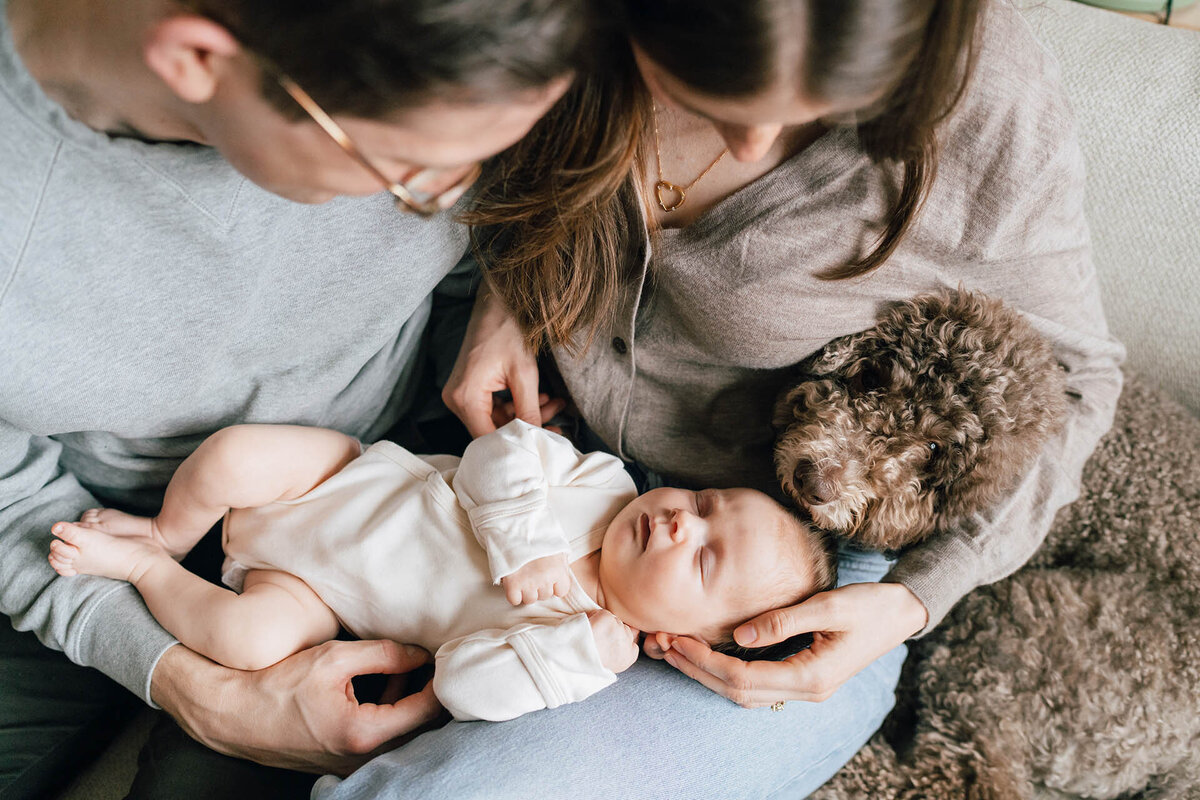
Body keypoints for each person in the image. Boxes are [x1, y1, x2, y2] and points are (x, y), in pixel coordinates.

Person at [321, 0, 1124, 798]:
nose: (751, 144)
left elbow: (1077, 377)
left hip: (788, 560)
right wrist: (513, 296)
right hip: (539, 450)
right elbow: (530, 151)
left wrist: (911, 601)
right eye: (714, 89)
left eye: (821, 106)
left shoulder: (980, 89)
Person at [0, 0, 597, 796]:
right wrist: (194, 688)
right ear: (196, 59)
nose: (445, 196)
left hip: (412, 460)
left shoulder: (452, 48)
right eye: (405, 174)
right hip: (94, 529)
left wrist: (509, 289)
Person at [46, 419, 836, 721]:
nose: (679, 519)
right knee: (232, 456)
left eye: (702, 555)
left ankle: (147, 569)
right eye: (702, 500)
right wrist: (522, 542)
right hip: (337, 478)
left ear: (674, 638)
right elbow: (499, 450)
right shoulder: (604, 487)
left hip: (314, 593)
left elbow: (461, 687)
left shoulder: (579, 651)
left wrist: (571, 655)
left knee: (248, 643)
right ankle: (165, 529)